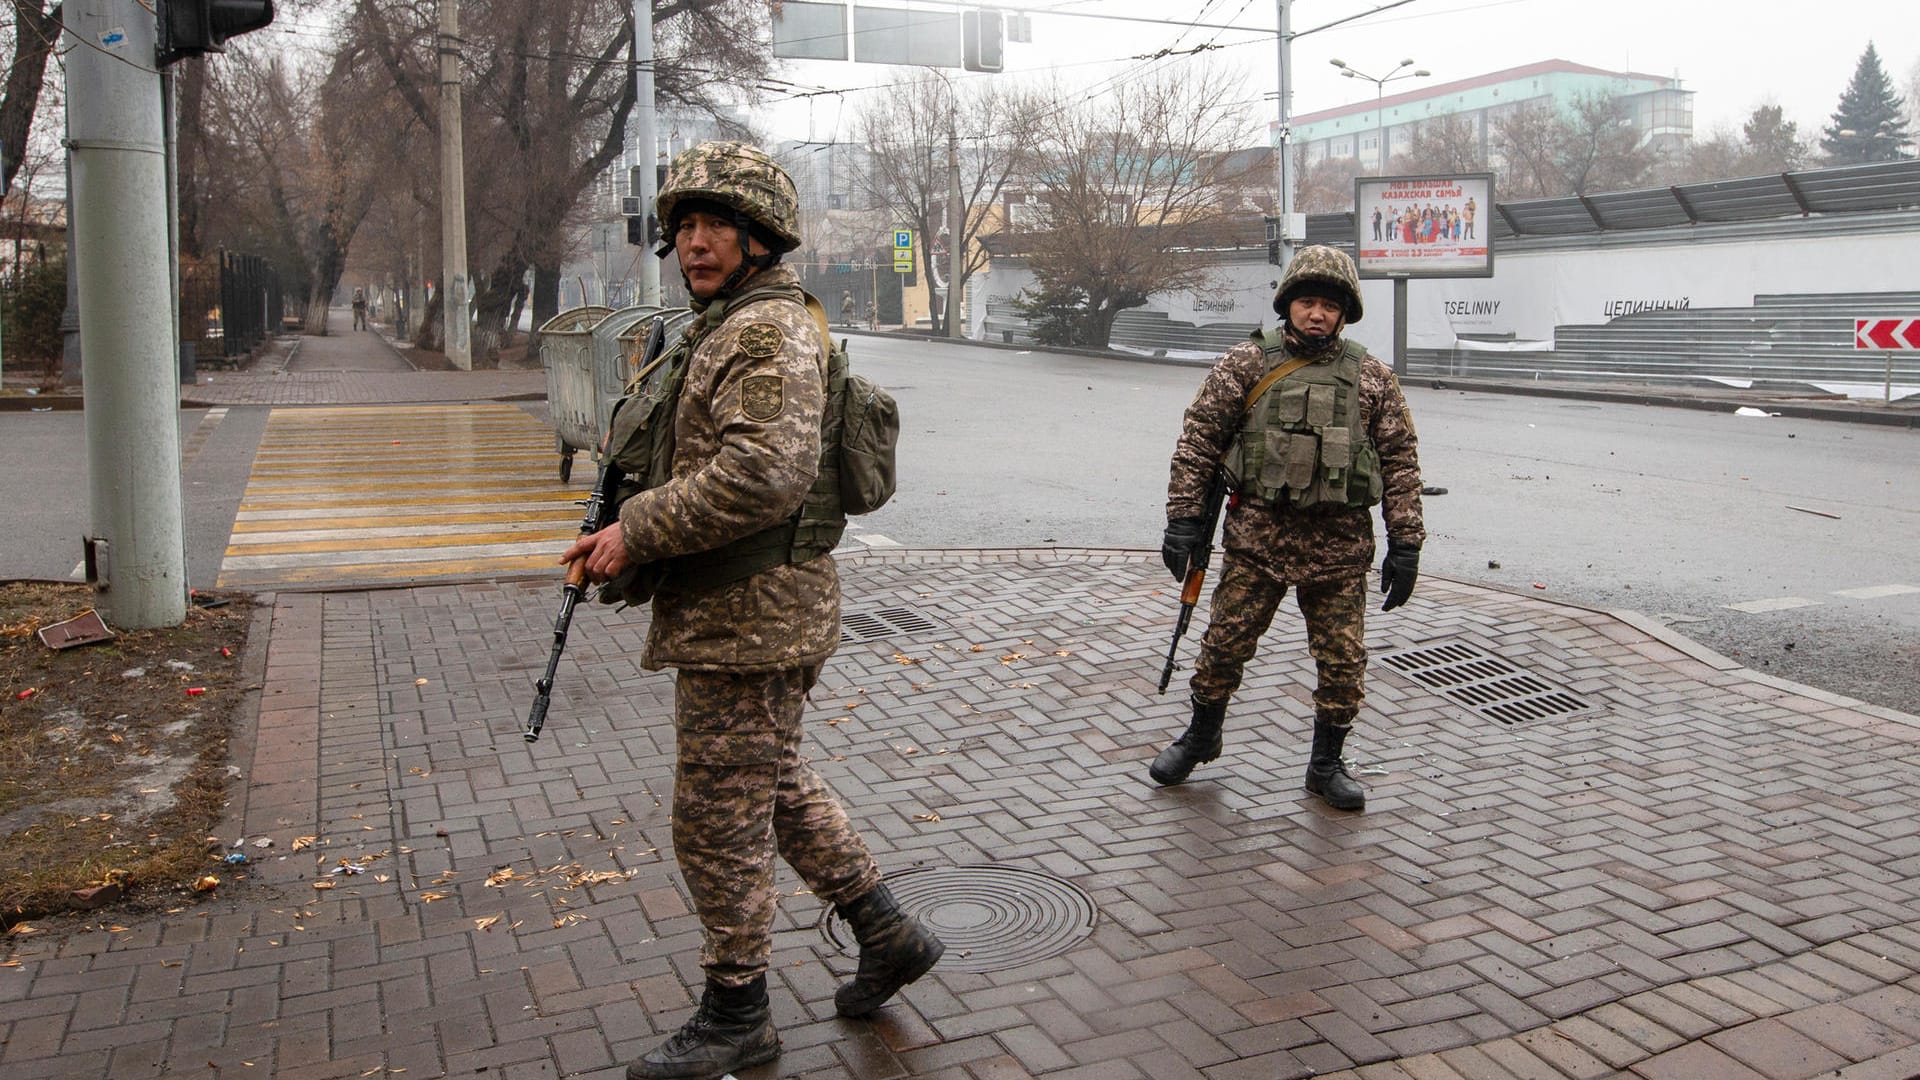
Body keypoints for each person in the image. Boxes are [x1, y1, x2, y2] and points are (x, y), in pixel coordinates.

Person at [560, 141, 943, 1080]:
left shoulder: (763, 332)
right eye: (684, 226)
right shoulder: (724, 323)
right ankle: (886, 932)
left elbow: (763, 476)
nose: (695, 242)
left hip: (755, 611)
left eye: (715, 225)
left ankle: (739, 1014)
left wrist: (633, 533)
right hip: (747, 607)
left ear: (759, 237)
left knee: (714, 820)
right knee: (771, 788)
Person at [1150, 245, 1425, 812]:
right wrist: (1182, 519)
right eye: (1307, 302)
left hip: (1339, 552)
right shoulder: (1245, 365)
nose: (1317, 314)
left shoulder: (1372, 378)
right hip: (1256, 542)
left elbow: (1400, 461)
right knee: (1223, 648)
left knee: (1344, 663)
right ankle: (1202, 737)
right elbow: (1198, 442)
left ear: (1345, 312)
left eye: (1329, 305)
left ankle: (1326, 764)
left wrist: (1407, 542)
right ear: (1288, 305)